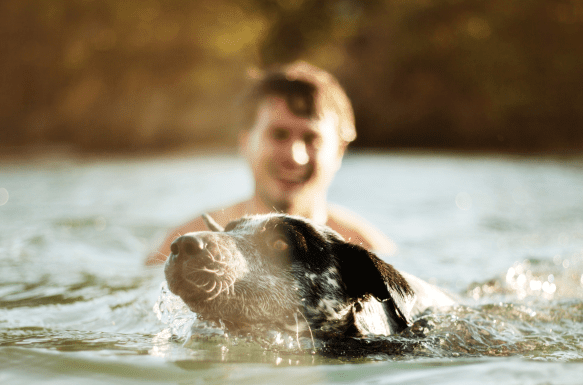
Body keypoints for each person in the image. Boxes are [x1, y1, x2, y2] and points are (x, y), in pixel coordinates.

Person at [145, 61, 395, 266]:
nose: (295, 156)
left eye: (311, 138)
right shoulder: (183, 248)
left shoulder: (369, 253)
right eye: (279, 134)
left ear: (339, 151)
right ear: (245, 143)